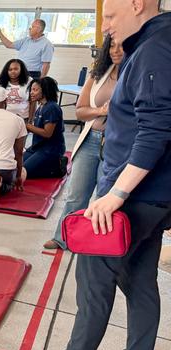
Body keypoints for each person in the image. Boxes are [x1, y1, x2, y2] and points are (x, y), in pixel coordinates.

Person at [16, 0, 171, 350]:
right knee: (138, 278)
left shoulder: (156, 48)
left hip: (136, 193)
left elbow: (155, 131)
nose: (105, 26)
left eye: (111, 15)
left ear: (138, 4)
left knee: (93, 272)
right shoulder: (154, 43)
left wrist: (116, 194)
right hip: (152, 194)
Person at [44, 35, 123, 250]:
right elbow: (80, 111)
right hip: (90, 140)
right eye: (112, 46)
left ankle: (98, 240)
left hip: (116, 144)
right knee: (76, 194)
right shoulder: (98, 74)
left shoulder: (136, 77)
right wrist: (101, 110)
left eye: (121, 46)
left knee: (104, 197)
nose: (116, 51)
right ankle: (63, 237)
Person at [24, 77, 67, 179]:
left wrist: (27, 126)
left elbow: (47, 133)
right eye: (31, 90)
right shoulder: (41, 107)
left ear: (45, 91)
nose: (31, 93)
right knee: (16, 166)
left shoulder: (51, 107)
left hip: (50, 149)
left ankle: (57, 167)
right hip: (38, 147)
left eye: (35, 90)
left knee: (24, 172)